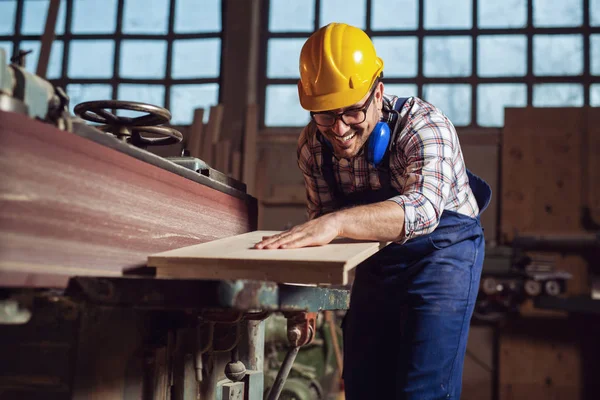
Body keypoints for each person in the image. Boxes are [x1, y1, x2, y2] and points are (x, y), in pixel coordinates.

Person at [255, 22, 491, 399]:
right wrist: (308, 296)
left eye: (352, 112)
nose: (339, 129)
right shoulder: (312, 147)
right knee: (364, 384)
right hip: (377, 257)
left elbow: (423, 210)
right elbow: (321, 227)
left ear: (378, 94)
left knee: (422, 389)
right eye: (325, 114)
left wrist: (336, 222)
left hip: (443, 252)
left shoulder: (424, 125)